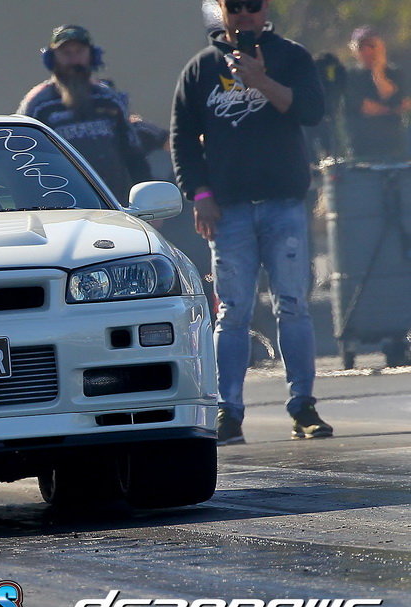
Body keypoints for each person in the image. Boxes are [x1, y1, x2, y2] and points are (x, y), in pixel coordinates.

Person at [170, 0, 332, 445]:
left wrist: (261, 81)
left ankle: (303, 407)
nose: (244, 14)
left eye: (253, 5)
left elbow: (312, 111)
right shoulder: (201, 69)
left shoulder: (291, 56)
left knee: (293, 305)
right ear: (222, 10)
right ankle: (229, 413)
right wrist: (200, 194)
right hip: (229, 210)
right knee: (233, 311)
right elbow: (183, 138)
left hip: (284, 203)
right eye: (235, 6)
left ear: (265, 9)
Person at [17, 25, 150, 205]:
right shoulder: (38, 105)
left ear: (92, 55)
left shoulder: (110, 99)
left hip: (113, 205)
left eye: (79, 52)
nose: (73, 60)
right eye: (66, 53)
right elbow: (21, 159)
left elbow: (134, 155)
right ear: (52, 58)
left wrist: (148, 200)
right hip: (60, 207)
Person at [344, 26, 411, 161]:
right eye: (361, 47)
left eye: (372, 46)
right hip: (361, 148)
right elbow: (366, 108)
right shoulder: (350, 76)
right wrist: (393, 109)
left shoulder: (396, 73)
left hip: (395, 147)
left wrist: (378, 73)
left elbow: (400, 101)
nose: (367, 51)